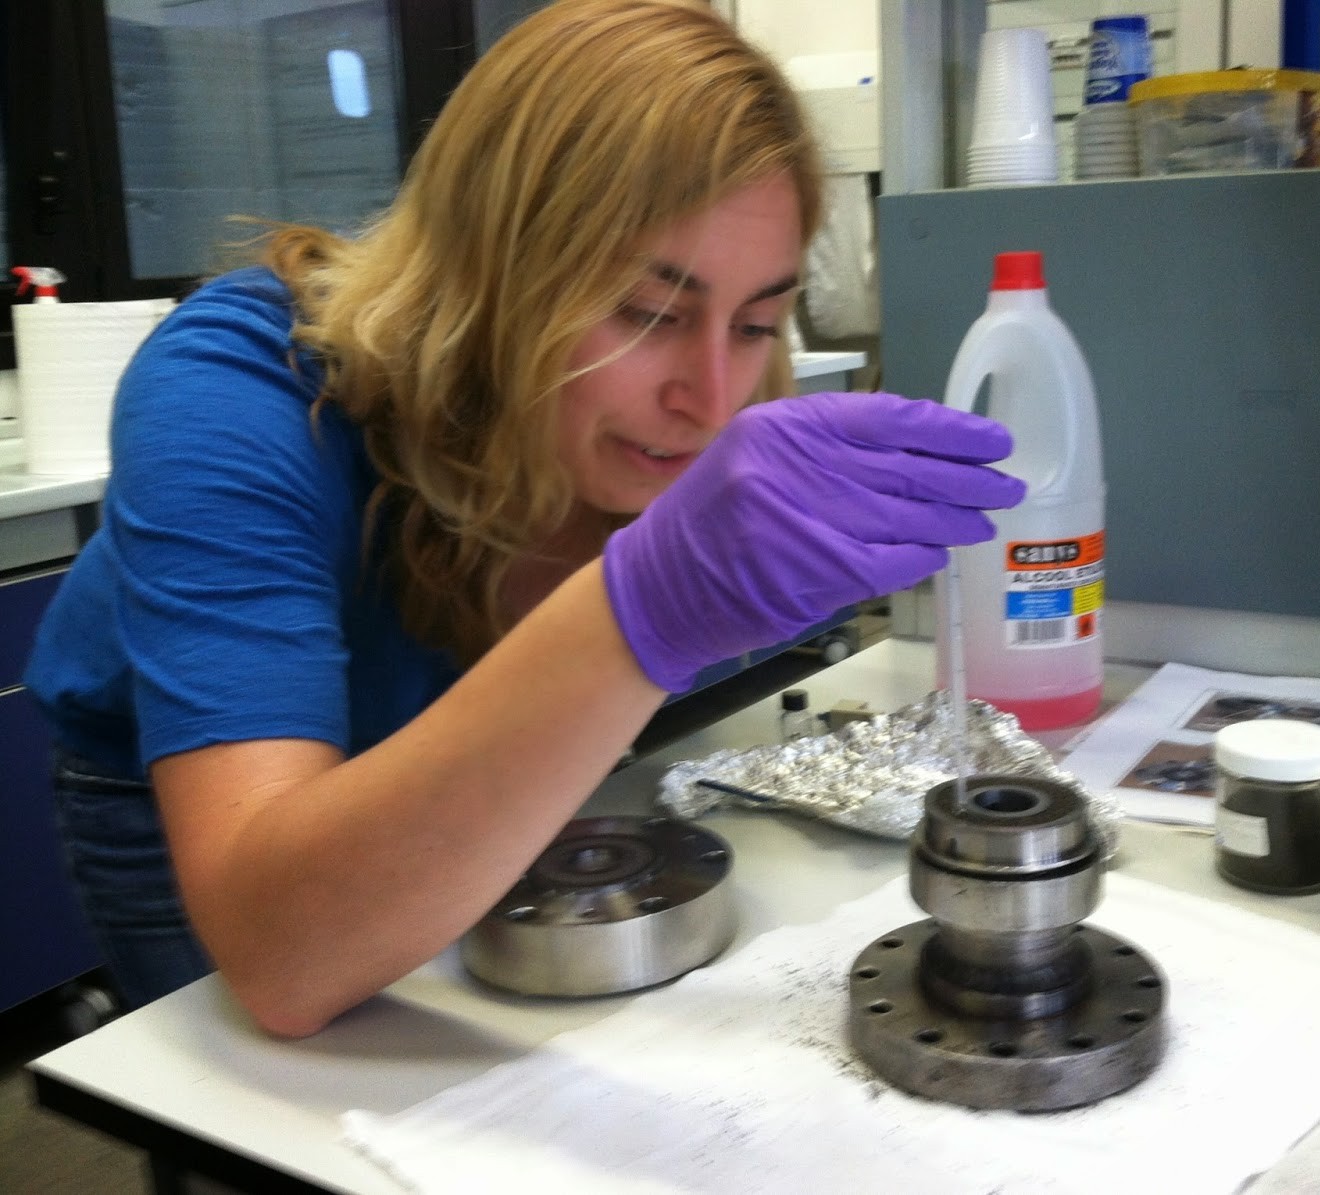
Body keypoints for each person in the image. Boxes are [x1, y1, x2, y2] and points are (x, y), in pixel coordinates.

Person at [24, 0, 1023, 1039]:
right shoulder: (235, 391)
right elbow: (284, 953)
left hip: (449, 738)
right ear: (491, 266)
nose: (710, 394)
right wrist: (647, 600)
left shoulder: (670, 411)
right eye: (647, 311)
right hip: (194, 798)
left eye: (757, 319)